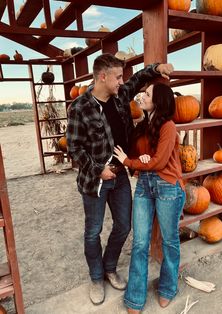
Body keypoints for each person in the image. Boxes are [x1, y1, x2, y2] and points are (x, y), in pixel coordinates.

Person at [66, 53, 174, 305]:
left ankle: (109, 267)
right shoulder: (79, 107)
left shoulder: (120, 96)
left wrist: (158, 67)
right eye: (117, 77)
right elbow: (74, 147)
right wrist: (96, 169)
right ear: (102, 77)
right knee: (93, 231)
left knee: (124, 225)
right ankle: (96, 278)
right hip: (94, 180)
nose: (121, 81)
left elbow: (138, 79)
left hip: (120, 174)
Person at [113, 82, 186, 314]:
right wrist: (139, 160)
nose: (142, 96)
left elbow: (160, 162)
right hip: (145, 184)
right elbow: (139, 155)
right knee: (140, 242)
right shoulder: (143, 125)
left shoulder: (168, 126)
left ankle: (167, 287)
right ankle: (135, 297)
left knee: (169, 241)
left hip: (168, 187)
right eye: (143, 92)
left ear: (159, 100)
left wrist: (129, 162)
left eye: (147, 94)